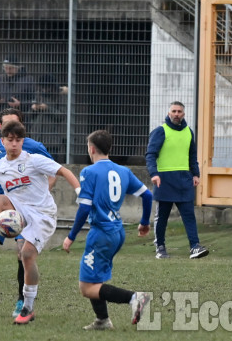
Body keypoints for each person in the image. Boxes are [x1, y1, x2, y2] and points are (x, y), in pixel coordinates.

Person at [0, 121, 80, 325]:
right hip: (19, 211)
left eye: (18, 140)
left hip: (42, 214)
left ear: (23, 141)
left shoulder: (34, 160)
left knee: (27, 255)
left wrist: (79, 192)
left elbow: (63, 171)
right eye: (10, 140)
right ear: (3, 141)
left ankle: (27, 307)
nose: (15, 144)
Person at [63, 130, 153, 330]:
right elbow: (147, 196)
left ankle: (135, 298)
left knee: (86, 288)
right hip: (117, 232)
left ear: (91, 148)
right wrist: (145, 222)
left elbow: (85, 208)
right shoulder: (123, 171)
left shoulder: (89, 172)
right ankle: (102, 320)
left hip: (101, 233)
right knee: (96, 278)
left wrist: (70, 236)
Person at [0, 108, 57, 319]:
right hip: (0, 207)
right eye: (7, 125)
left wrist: (39, 197)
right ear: (0, 128)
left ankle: (22, 301)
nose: (12, 131)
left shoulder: (34, 148)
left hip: (26, 210)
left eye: (15, 124)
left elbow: (52, 173)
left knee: (22, 251)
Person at [145, 101, 208, 260]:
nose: (176, 114)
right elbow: (151, 154)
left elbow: (192, 156)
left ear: (184, 114)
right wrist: (154, 173)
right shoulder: (160, 131)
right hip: (164, 181)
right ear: (168, 113)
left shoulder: (189, 132)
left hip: (184, 181)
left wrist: (196, 174)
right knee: (162, 217)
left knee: (189, 216)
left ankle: (195, 247)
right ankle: (160, 247)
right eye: (173, 111)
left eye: (179, 111)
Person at [29, 74, 67, 163]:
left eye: (47, 88)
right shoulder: (38, 95)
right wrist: (33, 109)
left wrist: (47, 108)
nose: (45, 90)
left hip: (52, 140)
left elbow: (62, 116)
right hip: (37, 138)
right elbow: (30, 117)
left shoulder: (59, 97)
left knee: (51, 167)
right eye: (43, 88)